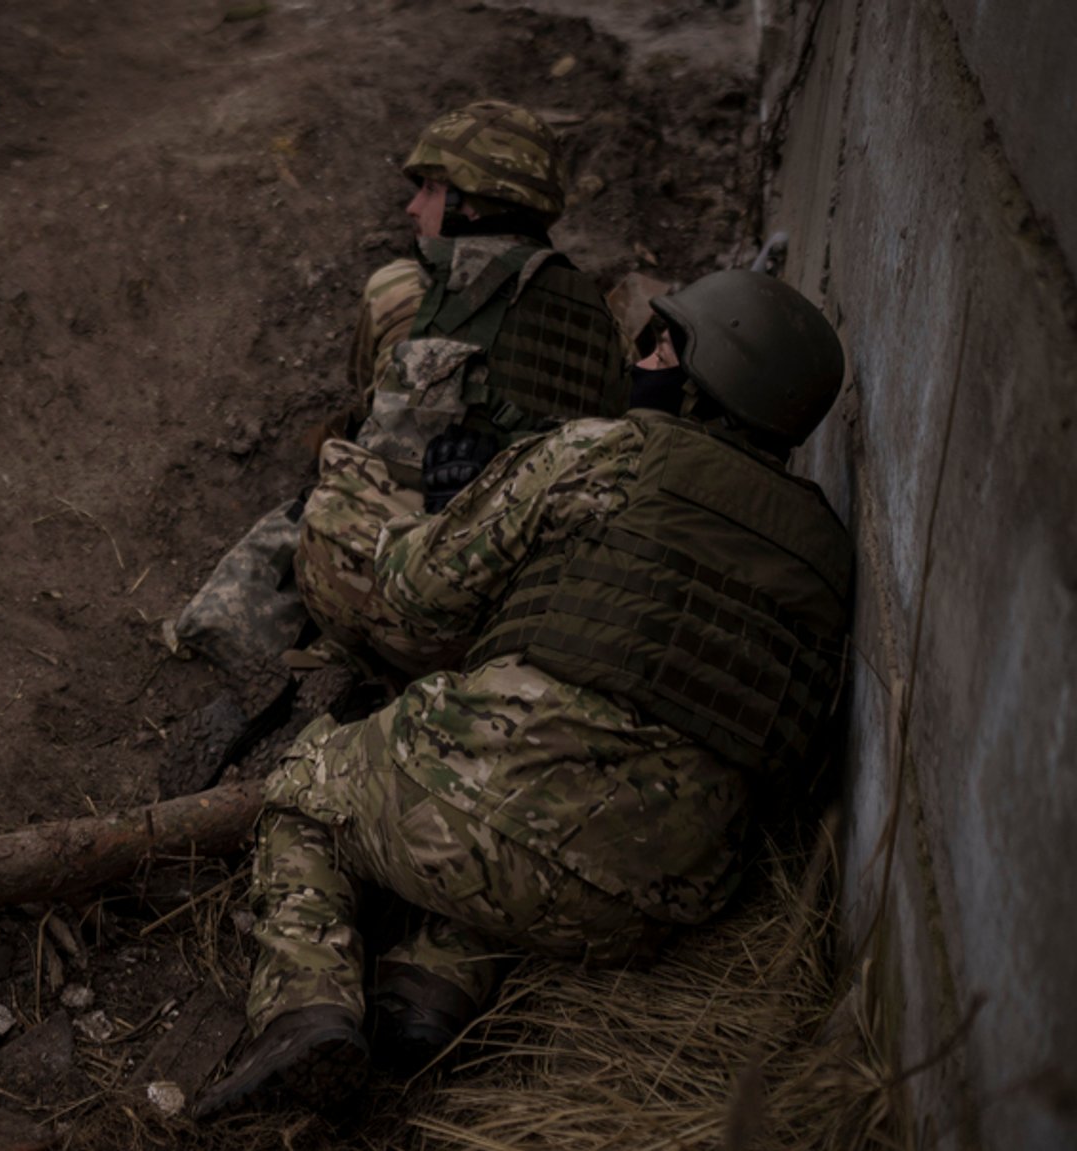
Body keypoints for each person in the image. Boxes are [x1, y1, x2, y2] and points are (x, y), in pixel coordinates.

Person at [189, 269, 855, 1119]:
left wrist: (356, 488)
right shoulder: (828, 557)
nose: (642, 355)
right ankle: (431, 986)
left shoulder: (606, 453)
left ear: (702, 382)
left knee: (304, 790)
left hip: (493, 811)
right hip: (655, 902)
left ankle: (302, 1011)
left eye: (661, 345)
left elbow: (418, 590)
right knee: (543, 824)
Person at [165, 100, 630, 796]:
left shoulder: (453, 295)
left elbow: (387, 468)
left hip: (443, 619)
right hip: (540, 624)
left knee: (331, 496)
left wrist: (340, 483)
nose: (414, 207)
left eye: (432, 188)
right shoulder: (588, 312)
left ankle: (340, 665)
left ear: (475, 202)